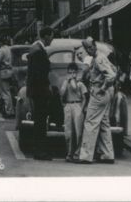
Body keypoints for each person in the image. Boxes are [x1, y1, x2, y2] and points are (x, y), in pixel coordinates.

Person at [76, 37, 117, 164]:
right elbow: (113, 70)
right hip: (104, 93)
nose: (88, 50)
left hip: (99, 92)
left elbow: (111, 75)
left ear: (94, 46)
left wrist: (103, 88)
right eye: (86, 48)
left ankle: (86, 156)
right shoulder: (100, 57)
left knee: (90, 123)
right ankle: (107, 154)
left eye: (89, 47)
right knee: (104, 123)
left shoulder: (98, 58)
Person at [26, 27, 54, 160]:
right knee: (41, 122)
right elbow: (39, 75)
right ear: (46, 36)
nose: (52, 40)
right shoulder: (39, 51)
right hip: (40, 92)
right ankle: (40, 151)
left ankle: (39, 149)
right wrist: (47, 90)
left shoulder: (35, 48)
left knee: (40, 121)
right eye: (51, 37)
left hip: (36, 91)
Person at [60, 62, 87, 162]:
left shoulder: (80, 83)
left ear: (77, 73)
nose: (72, 74)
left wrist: (82, 108)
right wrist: (67, 82)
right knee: (68, 132)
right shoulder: (65, 83)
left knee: (78, 131)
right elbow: (61, 94)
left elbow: (84, 97)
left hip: (77, 105)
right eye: (70, 72)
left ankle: (77, 153)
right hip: (68, 105)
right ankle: (69, 153)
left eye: (74, 72)